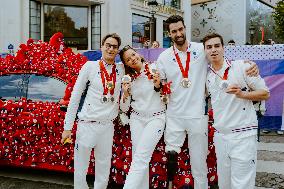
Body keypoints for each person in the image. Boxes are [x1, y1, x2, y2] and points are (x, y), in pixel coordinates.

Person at [156, 15, 259, 189]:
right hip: (174, 116)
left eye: (181, 29)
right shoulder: (164, 57)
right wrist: (158, 86)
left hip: (198, 116)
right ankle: (170, 185)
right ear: (169, 33)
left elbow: (221, 59)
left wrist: (250, 64)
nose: (178, 33)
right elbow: (160, 85)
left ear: (185, 28)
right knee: (171, 157)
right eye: (174, 31)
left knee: (199, 165)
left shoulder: (200, 49)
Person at [203, 33, 270, 189]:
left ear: (223, 48)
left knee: (242, 185)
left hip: (243, 135)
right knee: (224, 184)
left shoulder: (242, 67)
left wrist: (242, 94)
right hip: (221, 137)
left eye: (217, 46)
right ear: (205, 51)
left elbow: (265, 93)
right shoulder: (207, 76)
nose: (213, 50)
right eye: (209, 47)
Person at [61, 33, 124, 189]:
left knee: (103, 169)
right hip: (87, 125)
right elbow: (75, 97)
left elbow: (141, 64)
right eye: (108, 45)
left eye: (114, 47)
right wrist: (67, 127)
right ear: (102, 46)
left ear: (117, 51)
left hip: (107, 126)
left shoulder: (121, 69)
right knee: (81, 169)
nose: (111, 49)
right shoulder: (90, 66)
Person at [119, 45, 166, 189]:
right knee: (140, 159)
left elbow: (166, 95)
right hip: (137, 119)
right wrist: (125, 94)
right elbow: (124, 108)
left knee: (141, 157)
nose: (132, 59)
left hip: (156, 118)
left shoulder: (155, 69)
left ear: (138, 53)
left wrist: (159, 85)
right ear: (126, 64)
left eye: (133, 55)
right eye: (128, 59)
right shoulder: (128, 79)